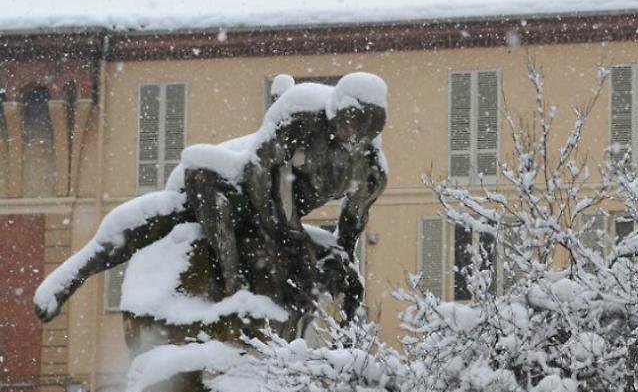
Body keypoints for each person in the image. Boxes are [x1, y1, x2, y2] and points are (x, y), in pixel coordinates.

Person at [34, 72, 388, 324]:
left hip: (277, 214)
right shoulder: (302, 112)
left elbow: (351, 224)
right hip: (228, 180)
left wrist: (344, 259)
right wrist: (281, 230)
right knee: (158, 213)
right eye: (347, 123)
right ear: (337, 109)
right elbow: (258, 171)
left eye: (363, 131)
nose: (351, 137)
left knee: (330, 269)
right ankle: (68, 278)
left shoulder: (371, 170)